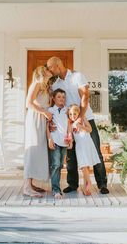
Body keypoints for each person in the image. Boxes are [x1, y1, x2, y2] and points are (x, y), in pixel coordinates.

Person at [47, 56, 109, 195]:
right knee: (70, 154)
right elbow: (55, 105)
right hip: (68, 122)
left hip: (86, 118)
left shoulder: (77, 76)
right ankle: (73, 184)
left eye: (50, 67)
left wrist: (80, 118)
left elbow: (85, 96)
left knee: (95, 150)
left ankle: (102, 184)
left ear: (57, 64)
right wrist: (53, 124)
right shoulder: (55, 84)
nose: (49, 70)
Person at [23, 65, 53, 197]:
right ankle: (26, 187)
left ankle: (32, 183)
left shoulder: (45, 86)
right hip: (35, 119)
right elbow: (28, 103)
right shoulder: (35, 84)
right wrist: (44, 112)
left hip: (42, 119)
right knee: (33, 150)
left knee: (40, 150)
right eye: (47, 69)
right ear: (42, 72)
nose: (49, 71)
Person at [68, 104, 100, 196]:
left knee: (85, 166)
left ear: (78, 113)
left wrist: (80, 126)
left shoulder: (82, 119)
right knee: (83, 166)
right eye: (70, 114)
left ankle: (88, 184)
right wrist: (69, 143)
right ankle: (87, 184)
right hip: (79, 146)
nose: (72, 116)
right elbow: (70, 136)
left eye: (74, 114)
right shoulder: (70, 124)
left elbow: (90, 130)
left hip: (87, 143)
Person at [47, 88, 72, 199]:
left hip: (64, 142)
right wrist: (49, 139)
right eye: (59, 97)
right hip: (55, 141)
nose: (62, 99)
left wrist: (70, 138)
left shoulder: (67, 110)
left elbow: (70, 125)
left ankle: (55, 185)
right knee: (55, 165)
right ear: (53, 98)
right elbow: (47, 126)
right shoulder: (50, 110)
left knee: (60, 165)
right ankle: (56, 190)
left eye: (63, 97)